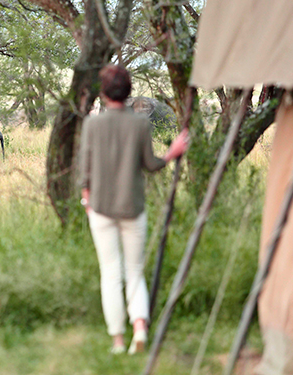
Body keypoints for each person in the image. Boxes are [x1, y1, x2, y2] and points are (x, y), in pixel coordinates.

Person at [77, 64, 189, 354]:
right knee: (135, 271)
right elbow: (151, 165)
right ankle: (139, 328)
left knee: (111, 274)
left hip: (100, 208)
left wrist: (87, 201)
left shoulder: (92, 124)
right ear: (128, 92)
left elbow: (84, 171)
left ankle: (117, 340)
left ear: (103, 92)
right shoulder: (140, 123)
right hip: (133, 208)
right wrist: (171, 153)